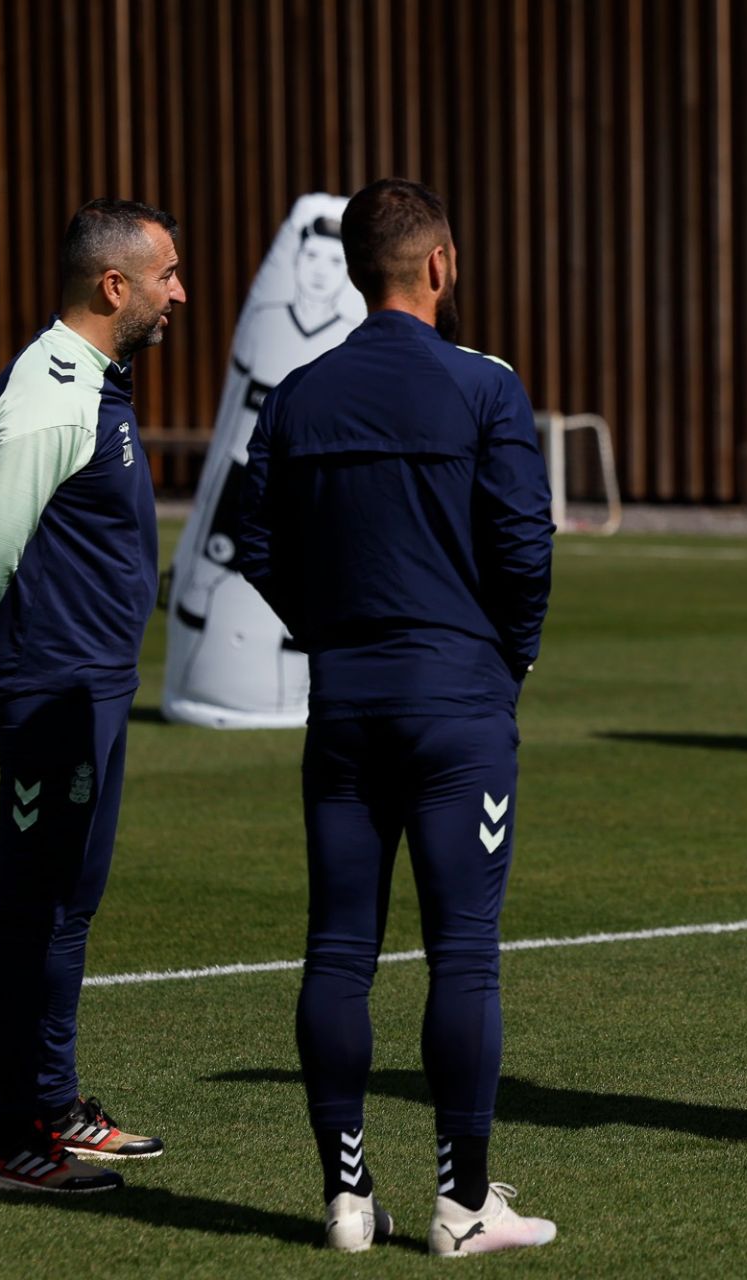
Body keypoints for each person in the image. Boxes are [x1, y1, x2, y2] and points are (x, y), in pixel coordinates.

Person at [237, 177, 556, 1255]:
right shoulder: (486, 388)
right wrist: (503, 657)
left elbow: (254, 539)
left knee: (337, 952)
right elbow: (524, 548)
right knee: (463, 953)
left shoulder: (296, 393)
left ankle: (346, 1198)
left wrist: (329, 626)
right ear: (441, 263)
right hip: (457, 702)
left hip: (346, 702)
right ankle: (464, 1207)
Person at [0, 198, 185, 1194]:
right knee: (29, 902)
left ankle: (56, 1101)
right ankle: (9, 1137)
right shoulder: (48, 391)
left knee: (71, 900)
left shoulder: (94, 381)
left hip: (95, 686)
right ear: (114, 285)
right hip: (47, 688)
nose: (179, 294)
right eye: (168, 275)